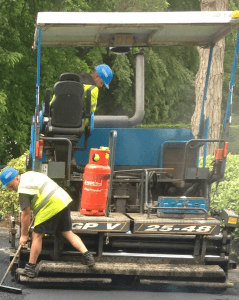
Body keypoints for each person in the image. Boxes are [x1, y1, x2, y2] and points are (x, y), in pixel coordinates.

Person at [0, 167, 95, 278]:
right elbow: (40, 193)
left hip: (50, 206)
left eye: (11, 186)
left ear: (16, 178)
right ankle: (88, 256)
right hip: (62, 201)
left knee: (37, 235)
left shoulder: (23, 189)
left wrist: (24, 235)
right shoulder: (30, 175)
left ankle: (30, 269)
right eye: (9, 188)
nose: (12, 189)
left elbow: (25, 214)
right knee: (67, 232)